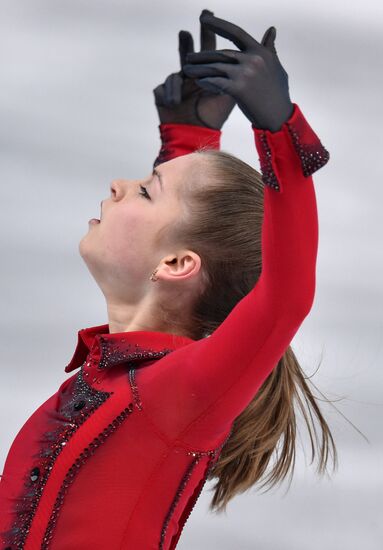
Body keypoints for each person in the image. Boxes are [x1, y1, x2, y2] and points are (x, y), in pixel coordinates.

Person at [0, 9, 337, 550]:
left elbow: (285, 298)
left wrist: (281, 129)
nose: (116, 184)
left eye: (143, 190)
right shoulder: (122, 380)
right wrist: (190, 134)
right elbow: (185, 227)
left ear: (176, 267)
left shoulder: (177, 394)